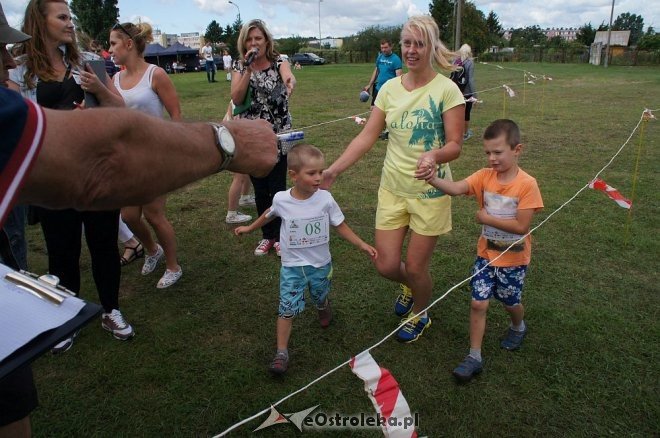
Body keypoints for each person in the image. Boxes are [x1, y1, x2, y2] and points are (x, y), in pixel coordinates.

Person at [321, 16, 465, 343]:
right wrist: (334, 169)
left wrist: (434, 156)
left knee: (416, 267)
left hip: (431, 191)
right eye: (407, 43)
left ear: (431, 47)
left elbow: (456, 144)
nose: (412, 50)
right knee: (386, 265)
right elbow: (367, 137)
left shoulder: (447, 90)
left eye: (419, 44)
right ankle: (411, 286)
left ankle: (421, 312)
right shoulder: (387, 89)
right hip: (393, 189)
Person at [9, 0, 132, 354]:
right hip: (54, 177)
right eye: (61, 17)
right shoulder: (18, 70)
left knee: (104, 246)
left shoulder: (84, 64)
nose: (69, 23)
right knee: (61, 251)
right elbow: (17, 123)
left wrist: (98, 89)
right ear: (40, 21)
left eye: (70, 17)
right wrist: (62, 122)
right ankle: (66, 319)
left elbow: (118, 110)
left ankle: (111, 310)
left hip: (96, 174)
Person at [234, 145, 377, 375]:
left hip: (320, 266)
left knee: (320, 294)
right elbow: (268, 214)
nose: (319, 178)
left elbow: (340, 224)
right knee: (286, 308)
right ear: (293, 175)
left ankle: (322, 305)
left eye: (321, 172)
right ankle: (281, 352)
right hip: (291, 268)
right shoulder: (281, 199)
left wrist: (361, 244)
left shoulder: (326, 200)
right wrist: (250, 227)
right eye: (312, 173)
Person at [421, 119, 543, 382]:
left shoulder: (527, 184)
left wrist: (486, 218)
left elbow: (521, 226)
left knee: (510, 301)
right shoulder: (484, 176)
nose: (492, 158)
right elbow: (455, 189)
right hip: (486, 256)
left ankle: (518, 325)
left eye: (498, 152)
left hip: (514, 259)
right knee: (478, 302)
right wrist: (432, 178)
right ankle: (474, 356)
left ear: (517, 149)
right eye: (488, 152)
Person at [110, 21, 184, 288]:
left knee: (154, 214)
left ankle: (174, 266)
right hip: (127, 159)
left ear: (129, 44)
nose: (110, 50)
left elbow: (175, 115)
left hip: (155, 156)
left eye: (113, 43)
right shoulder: (115, 79)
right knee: (129, 216)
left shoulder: (156, 74)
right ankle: (152, 250)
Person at [231, 19, 296, 257]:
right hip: (253, 138)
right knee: (260, 190)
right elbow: (237, 99)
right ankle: (266, 236)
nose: (253, 43)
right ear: (244, 43)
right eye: (249, 39)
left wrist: (290, 80)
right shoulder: (240, 66)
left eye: (258, 38)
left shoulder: (279, 60)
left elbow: (287, 74)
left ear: (266, 40)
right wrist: (248, 68)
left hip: (279, 135)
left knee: (278, 189)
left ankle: (280, 237)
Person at [363, 38, 402, 139]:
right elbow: (376, 71)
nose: (384, 50)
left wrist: (398, 89)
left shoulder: (396, 59)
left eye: (385, 47)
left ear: (391, 46)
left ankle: (388, 131)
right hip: (378, 87)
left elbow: (399, 76)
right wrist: (370, 84)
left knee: (388, 110)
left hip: (390, 90)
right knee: (373, 108)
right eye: (382, 48)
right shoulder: (380, 57)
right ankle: (378, 128)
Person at [454, 44, 476, 141]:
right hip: (467, 92)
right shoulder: (470, 63)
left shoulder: (455, 61)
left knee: (457, 112)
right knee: (466, 113)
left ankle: (455, 132)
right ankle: (465, 134)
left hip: (456, 90)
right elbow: (470, 80)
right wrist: (475, 94)